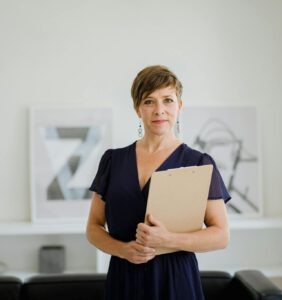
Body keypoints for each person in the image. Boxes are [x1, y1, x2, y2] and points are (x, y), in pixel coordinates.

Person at [86, 65, 231, 300]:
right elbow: (93, 228)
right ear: (137, 109)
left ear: (179, 106)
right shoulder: (112, 160)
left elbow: (221, 235)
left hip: (176, 282)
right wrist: (123, 250)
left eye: (168, 100)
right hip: (123, 279)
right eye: (149, 101)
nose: (159, 110)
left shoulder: (199, 163)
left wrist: (168, 239)